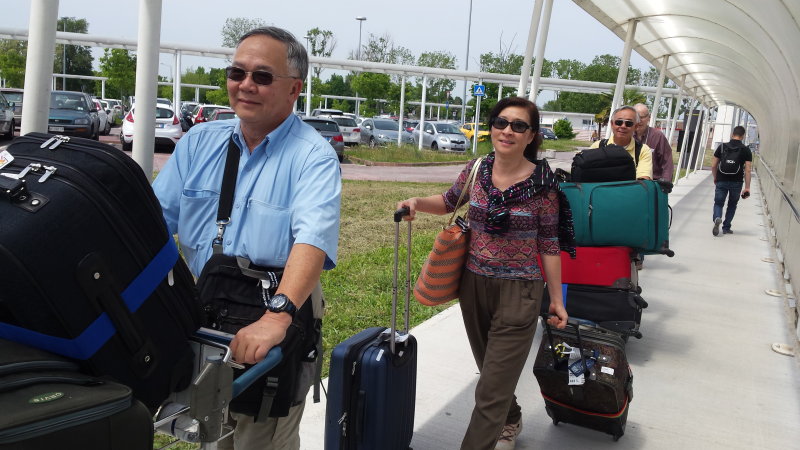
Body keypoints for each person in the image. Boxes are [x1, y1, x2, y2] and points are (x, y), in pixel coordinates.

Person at [152, 26, 341, 450]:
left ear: (294, 89)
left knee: (261, 432)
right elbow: (154, 224)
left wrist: (277, 317)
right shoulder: (199, 143)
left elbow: (312, 238)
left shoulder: (313, 156)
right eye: (237, 73)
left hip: (274, 307)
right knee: (208, 427)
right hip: (206, 306)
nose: (246, 85)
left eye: (262, 76)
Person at [397, 97, 575, 450]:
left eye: (518, 126)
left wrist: (556, 300)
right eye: (501, 122)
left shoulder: (544, 185)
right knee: (492, 370)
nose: (507, 130)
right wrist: (416, 203)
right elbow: (450, 200)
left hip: (521, 291)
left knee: (490, 390)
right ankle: (511, 417)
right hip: (473, 284)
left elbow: (550, 244)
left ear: (531, 136)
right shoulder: (477, 169)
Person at [590, 105, 653, 180]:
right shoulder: (597, 146)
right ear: (612, 124)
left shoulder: (643, 151)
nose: (623, 126)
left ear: (635, 127)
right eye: (619, 122)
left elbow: (643, 181)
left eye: (628, 123)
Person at [711, 125, 752, 236]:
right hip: (737, 182)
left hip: (721, 179)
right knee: (732, 204)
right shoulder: (746, 150)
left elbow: (713, 165)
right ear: (743, 136)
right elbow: (748, 170)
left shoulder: (722, 147)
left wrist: (715, 177)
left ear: (732, 134)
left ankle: (717, 218)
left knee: (719, 203)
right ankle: (726, 227)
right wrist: (747, 187)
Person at [633, 103, 675, 181]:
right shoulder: (627, 135)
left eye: (642, 117)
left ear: (649, 117)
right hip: (631, 183)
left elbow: (667, 162)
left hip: (652, 183)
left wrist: (665, 183)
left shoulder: (657, 136)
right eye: (636, 117)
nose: (639, 120)